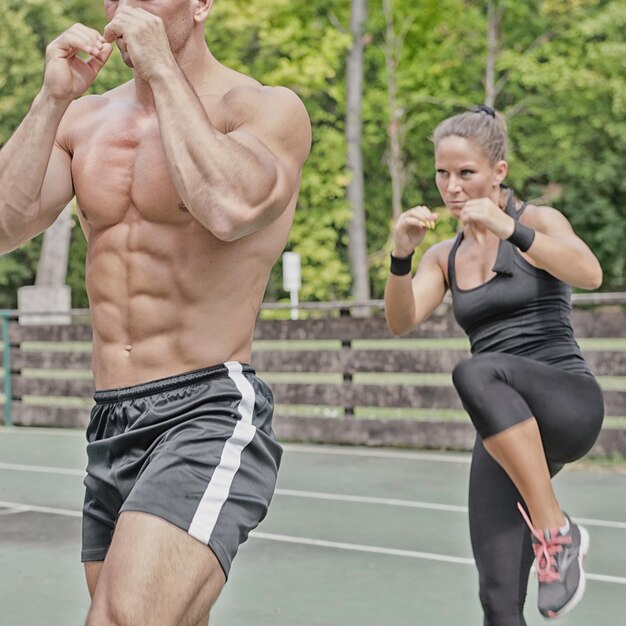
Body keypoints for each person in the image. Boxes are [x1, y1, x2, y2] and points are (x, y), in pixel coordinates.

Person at [0, 1, 311, 624]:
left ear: (201, 5)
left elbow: (227, 207)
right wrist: (51, 98)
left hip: (207, 409)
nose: (125, 5)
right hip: (111, 422)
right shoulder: (84, 120)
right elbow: (6, 224)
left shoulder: (262, 109)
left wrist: (162, 70)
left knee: (121, 618)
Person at [384, 106, 604, 625]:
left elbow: (589, 273)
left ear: (498, 172)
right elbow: (401, 319)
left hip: (566, 403)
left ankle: (555, 530)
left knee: (476, 370)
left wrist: (510, 229)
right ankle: (552, 534)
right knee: (499, 598)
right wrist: (400, 256)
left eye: (467, 174)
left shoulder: (538, 221)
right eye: (443, 173)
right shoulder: (444, 255)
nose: (452, 187)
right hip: (505, 427)